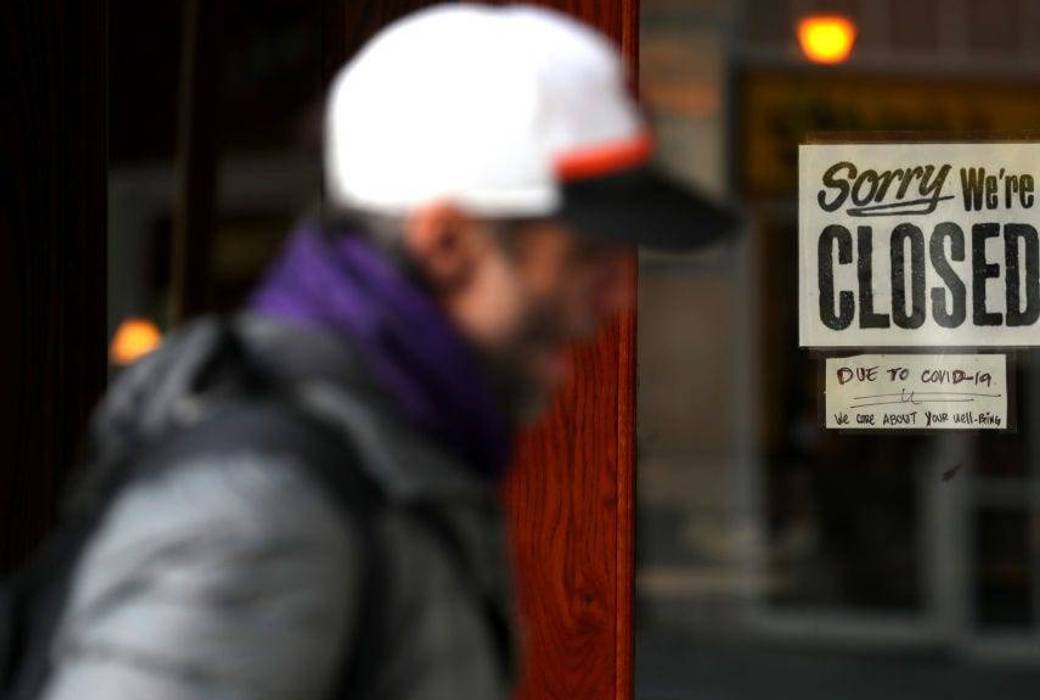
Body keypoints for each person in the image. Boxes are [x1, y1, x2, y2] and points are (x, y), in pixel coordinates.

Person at [36, 4, 735, 700]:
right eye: (585, 255)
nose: (618, 297)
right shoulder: (267, 507)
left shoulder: (393, 462)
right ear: (447, 244)